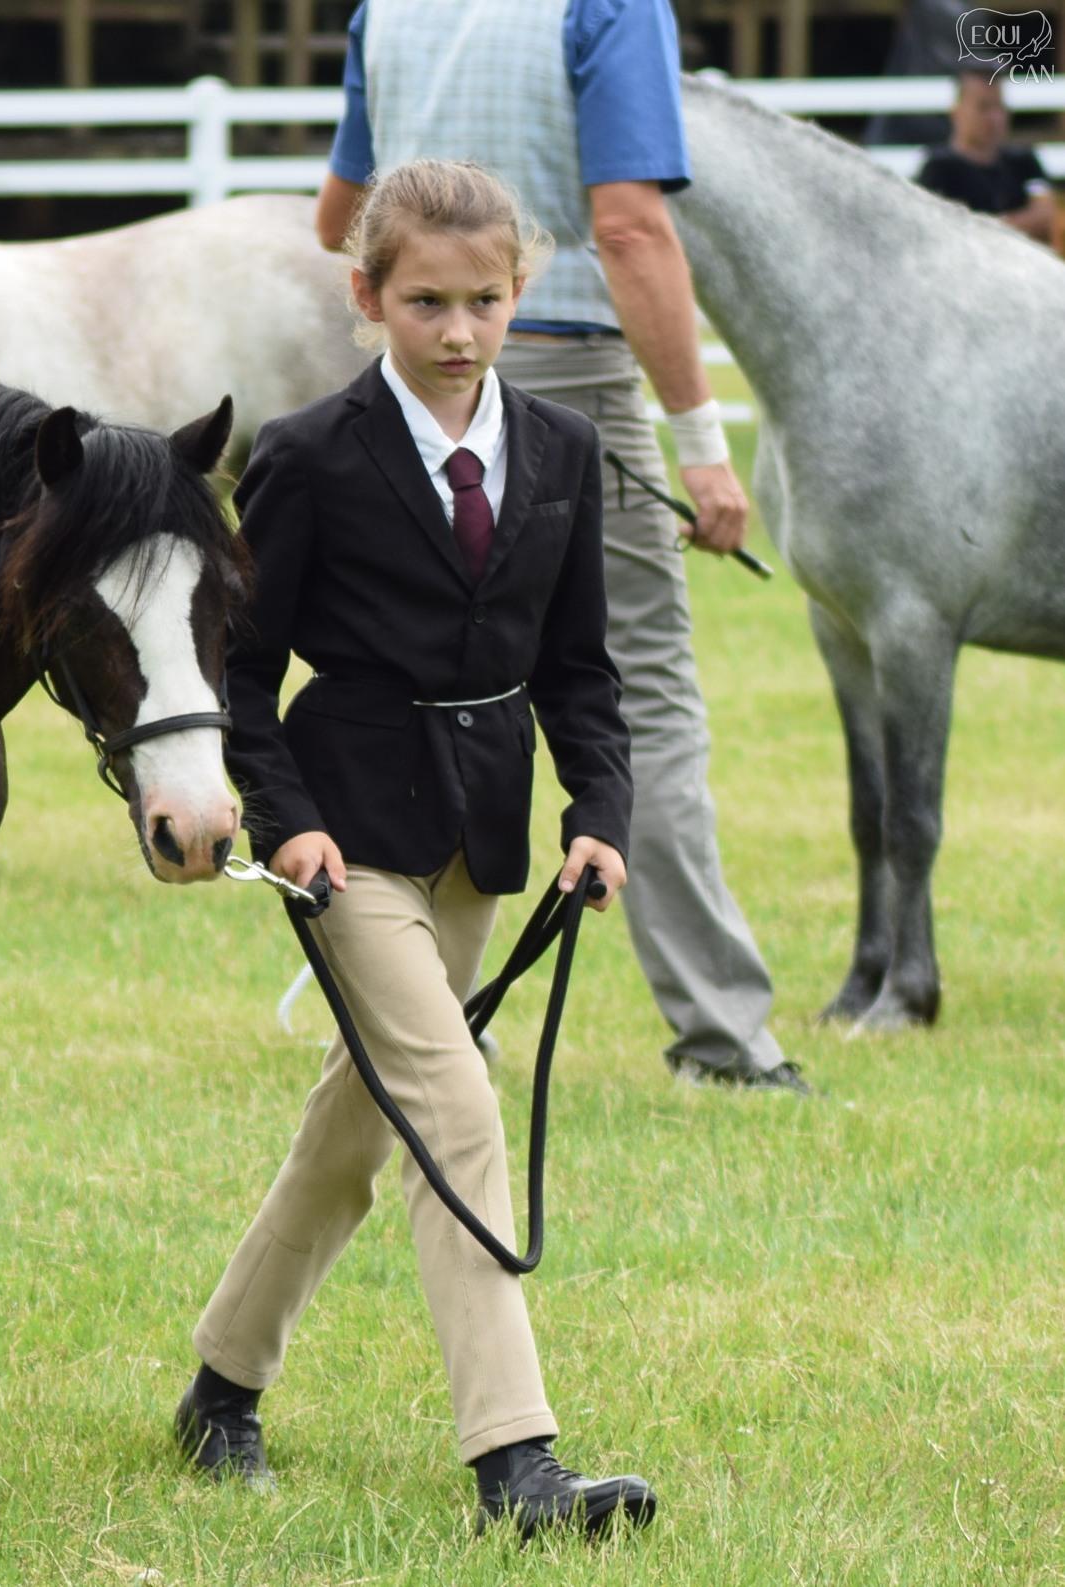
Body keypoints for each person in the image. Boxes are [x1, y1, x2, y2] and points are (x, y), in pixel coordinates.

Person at [175, 158, 654, 1540]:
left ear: (520, 292)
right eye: (425, 303)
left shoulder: (560, 451)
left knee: (352, 1134)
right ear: (367, 294)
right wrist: (288, 821)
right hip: (344, 834)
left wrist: (597, 812)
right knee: (450, 1104)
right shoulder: (309, 453)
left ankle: (218, 1388)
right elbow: (240, 670)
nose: (456, 331)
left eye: (483, 302)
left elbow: (580, 668)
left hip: (478, 834)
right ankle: (517, 1464)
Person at [317, 0, 810, 1094]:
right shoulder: (609, 7)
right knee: (641, 697)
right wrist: (700, 445)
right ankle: (720, 1034)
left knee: (413, 687)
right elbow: (628, 227)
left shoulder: (382, 10)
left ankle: (413, 1012)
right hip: (565, 367)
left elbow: (337, 218)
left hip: (409, 383)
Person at [915, 71, 1058, 245]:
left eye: (999, 106)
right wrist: (1017, 224)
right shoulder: (938, 168)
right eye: (983, 107)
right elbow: (937, 230)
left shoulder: (1024, 161)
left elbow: (1046, 215)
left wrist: (985, 228)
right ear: (957, 111)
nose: (994, 118)